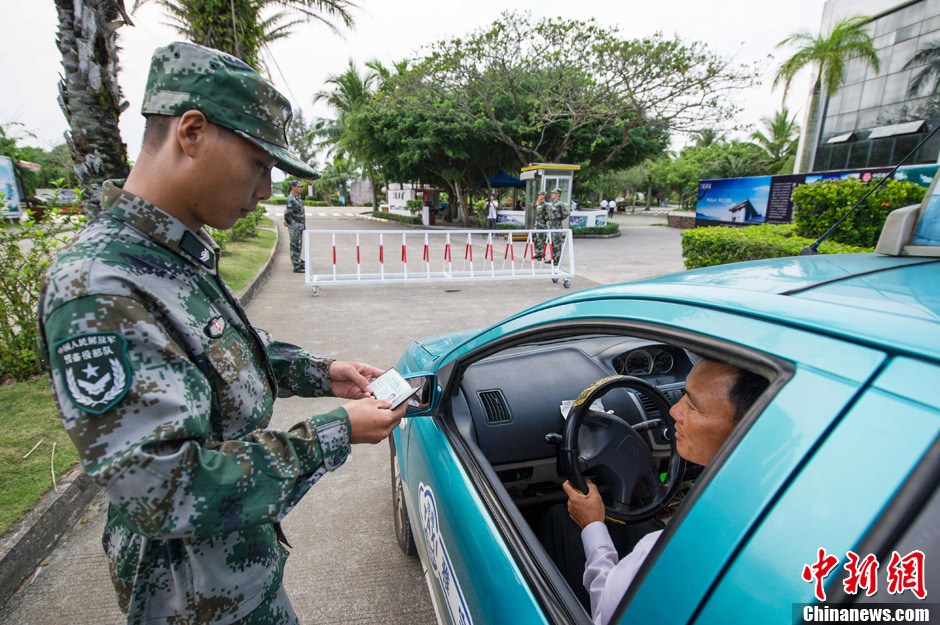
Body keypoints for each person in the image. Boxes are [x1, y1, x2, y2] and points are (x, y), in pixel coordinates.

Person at [37, 41, 406, 625]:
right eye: (258, 164)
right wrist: (334, 433)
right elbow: (164, 485)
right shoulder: (100, 287)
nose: (265, 190)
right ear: (191, 133)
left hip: (238, 578)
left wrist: (319, 371)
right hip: (192, 602)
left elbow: (214, 348)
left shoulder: (168, 253)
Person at [557, 359, 768, 625]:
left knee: (558, 519)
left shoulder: (669, 548)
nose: (673, 410)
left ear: (746, 429)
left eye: (693, 406)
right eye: (682, 396)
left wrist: (592, 525)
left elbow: (605, 613)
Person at [284, 180, 305, 272]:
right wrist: (290, 223)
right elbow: (287, 213)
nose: (301, 188)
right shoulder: (291, 199)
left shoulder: (297, 197)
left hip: (299, 226)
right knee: (295, 245)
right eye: (299, 187)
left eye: (301, 187)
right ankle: (296, 266)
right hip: (295, 226)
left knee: (298, 245)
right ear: (293, 187)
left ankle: (298, 261)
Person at [548, 187, 570, 262]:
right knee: (552, 241)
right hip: (551, 224)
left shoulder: (560, 204)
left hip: (557, 225)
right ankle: (553, 257)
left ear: (557, 194)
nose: (552, 194)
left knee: (557, 242)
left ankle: (557, 259)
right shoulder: (552, 203)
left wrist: (558, 219)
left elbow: (565, 214)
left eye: (553, 193)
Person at [532, 190, 550, 260]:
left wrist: (544, 220)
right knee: (535, 239)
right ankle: (538, 253)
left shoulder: (545, 205)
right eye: (538, 195)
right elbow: (534, 209)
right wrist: (537, 203)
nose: (538, 196)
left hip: (542, 225)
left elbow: (548, 214)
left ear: (544, 196)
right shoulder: (538, 204)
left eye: (540, 195)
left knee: (541, 240)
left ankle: (542, 255)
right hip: (537, 224)